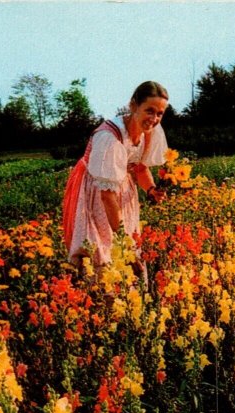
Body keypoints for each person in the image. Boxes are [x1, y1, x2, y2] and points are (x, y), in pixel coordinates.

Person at [62, 81, 169, 277]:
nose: (154, 119)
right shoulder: (109, 137)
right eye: (149, 111)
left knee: (128, 250)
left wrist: (152, 190)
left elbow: (140, 168)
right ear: (133, 106)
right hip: (97, 193)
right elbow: (107, 196)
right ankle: (100, 300)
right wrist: (124, 243)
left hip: (123, 190)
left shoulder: (150, 132)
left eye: (160, 113)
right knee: (100, 249)